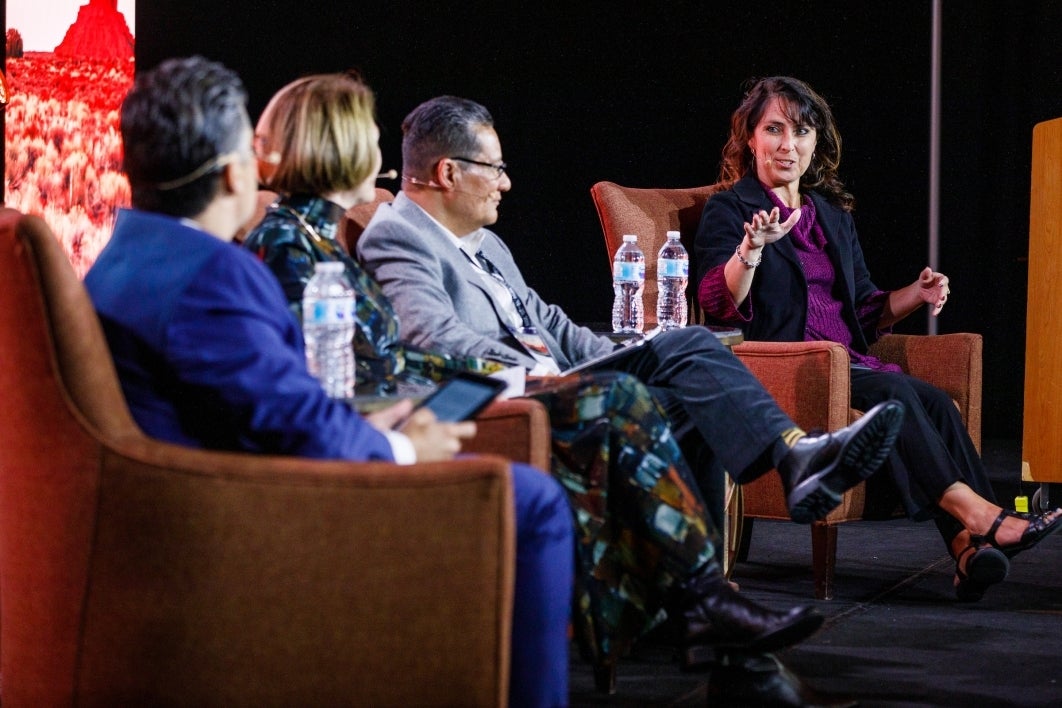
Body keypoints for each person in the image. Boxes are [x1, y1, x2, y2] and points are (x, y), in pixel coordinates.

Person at [242, 74, 834, 692]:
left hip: (491, 386)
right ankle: (720, 587)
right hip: (472, 401)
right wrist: (534, 378)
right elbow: (401, 352)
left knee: (683, 359)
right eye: (368, 140)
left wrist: (616, 353)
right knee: (641, 384)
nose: (385, 160)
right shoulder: (321, 240)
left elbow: (545, 320)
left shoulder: (420, 244)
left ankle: (716, 618)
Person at [82, 57, 573, 708]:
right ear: (235, 172)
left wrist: (369, 424)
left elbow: (260, 400)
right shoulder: (212, 276)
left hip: (193, 495)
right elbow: (289, 425)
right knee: (533, 502)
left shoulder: (115, 259)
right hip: (251, 521)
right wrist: (401, 449)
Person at [693, 75, 1062, 603]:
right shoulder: (730, 210)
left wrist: (917, 292)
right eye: (773, 129)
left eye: (800, 131)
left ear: (815, 142)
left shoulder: (832, 216)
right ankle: (982, 516)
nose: (787, 145)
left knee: (933, 400)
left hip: (851, 362)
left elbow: (863, 308)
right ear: (749, 137)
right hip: (792, 366)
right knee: (901, 395)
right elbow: (719, 302)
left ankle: (968, 551)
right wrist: (750, 248)